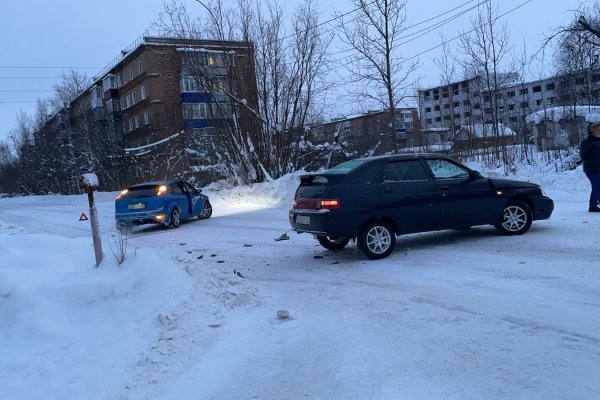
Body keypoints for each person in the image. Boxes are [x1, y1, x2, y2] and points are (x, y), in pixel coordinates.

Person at [580, 121, 600, 212]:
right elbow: (584, 155)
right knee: (598, 186)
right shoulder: (587, 142)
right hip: (591, 169)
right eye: (598, 127)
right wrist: (595, 162)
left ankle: (593, 205)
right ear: (593, 129)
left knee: (596, 186)